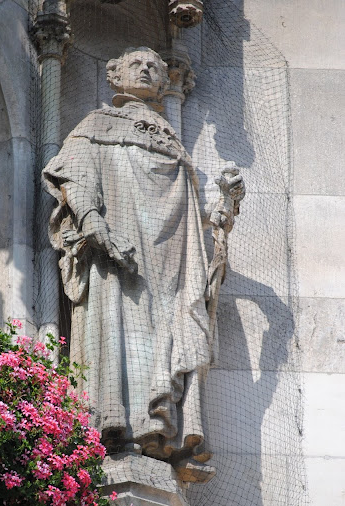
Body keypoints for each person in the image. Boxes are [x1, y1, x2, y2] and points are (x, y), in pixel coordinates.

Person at [43, 47, 245, 481]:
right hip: (118, 258)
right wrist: (96, 225)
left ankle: (161, 433)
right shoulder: (95, 125)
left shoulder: (172, 142)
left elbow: (189, 214)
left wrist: (225, 202)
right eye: (136, 63)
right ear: (114, 74)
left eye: (154, 65)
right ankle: (114, 427)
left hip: (170, 265)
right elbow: (73, 177)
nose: (147, 69)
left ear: (165, 80)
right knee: (118, 335)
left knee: (170, 339)